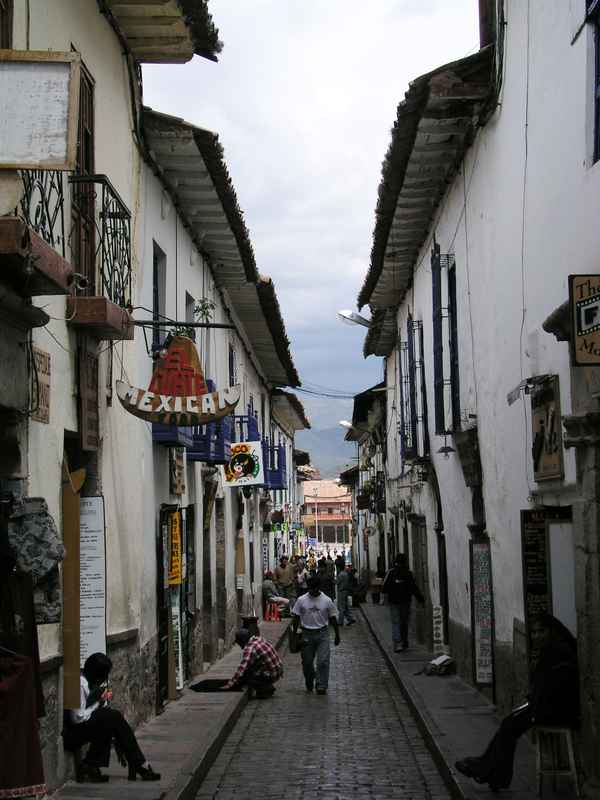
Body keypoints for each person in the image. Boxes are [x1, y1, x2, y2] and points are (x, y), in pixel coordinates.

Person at [454, 613, 579, 792]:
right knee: (508, 724)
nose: (536, 636)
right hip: (546, 706)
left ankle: (489, 771)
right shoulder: (552, 649)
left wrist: (533, 705)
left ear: (551, 631)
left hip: (555, 711)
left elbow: (554, 687)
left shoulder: (557, 651)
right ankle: (490, 772)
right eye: (534, 632)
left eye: (541, 631)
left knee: (509, 727)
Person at [63, 652, 160, 783]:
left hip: (84, 726)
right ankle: (138, 763)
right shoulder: (79, 684)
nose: (104, 679)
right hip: (72, 734)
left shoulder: (90, 683)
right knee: (110, 717)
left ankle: (93, 765)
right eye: (104, 676)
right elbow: (77, 718)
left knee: (111, 718)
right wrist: (97, 704)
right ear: (96, 675)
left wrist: (101, 702)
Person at [291, 575, 340, 695]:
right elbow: (296, 617)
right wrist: (294, 635)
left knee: (323, 661)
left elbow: (333, 618)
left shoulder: (327, 600)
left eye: (315, 588)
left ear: (319, 587)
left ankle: (321, 685)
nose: (312, 591)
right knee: (307, 662)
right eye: (310, 588)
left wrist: (337, 635)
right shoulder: (301, 600)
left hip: (322, 634)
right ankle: (309, 680)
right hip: (306, 634)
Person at [382, 553, 424, 653]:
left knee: (396, 622)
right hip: (405, 602)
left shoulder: (391, 572)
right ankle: (404, 642)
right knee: (404, 622)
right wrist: (421, 599)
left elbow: (384, 588)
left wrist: (391, 591)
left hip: (394, 602)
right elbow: (413, 587)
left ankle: (397, 644)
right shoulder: (408, 573)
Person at [225, 629, 283, 699]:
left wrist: (231, 682)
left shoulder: (250, 647)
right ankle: (265, 684)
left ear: (242, 641)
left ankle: (266, 688)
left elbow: (242, 667)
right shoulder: (258, 639)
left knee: (247, 677)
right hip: (278, 670)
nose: (239, 645)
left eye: (239, 643)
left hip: (272, 674)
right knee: (249, 668)